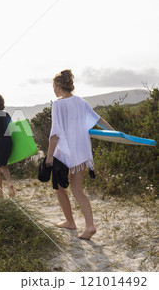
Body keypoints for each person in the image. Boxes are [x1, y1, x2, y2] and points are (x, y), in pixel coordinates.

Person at [46, 70, 114, 240]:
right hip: (81, 151)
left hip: (63, 152)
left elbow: (55, 134)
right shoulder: (81, 102)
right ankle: (89, 225)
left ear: (59, 86)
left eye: (54, 86)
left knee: (59, 187)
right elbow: (99, 120)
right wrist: (115, 132)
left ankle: (70, 222)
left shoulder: (58, 104)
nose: (53, 89)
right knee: (77, 190)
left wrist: (48, 156)